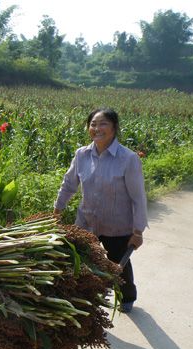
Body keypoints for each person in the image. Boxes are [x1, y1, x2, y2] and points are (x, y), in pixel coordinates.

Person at [54, 108, 148, 313]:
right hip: (86, 222)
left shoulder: (128, 158)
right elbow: (69, 184)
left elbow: (138, 197)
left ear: (114, 128)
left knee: (118, 265)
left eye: (103, 123)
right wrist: (57, 209)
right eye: (93, 124)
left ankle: (126, 298)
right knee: (83, 261)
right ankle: (85, 298)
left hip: (117, 225)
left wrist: (138, 231)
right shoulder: (82, 154)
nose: (97, 128)